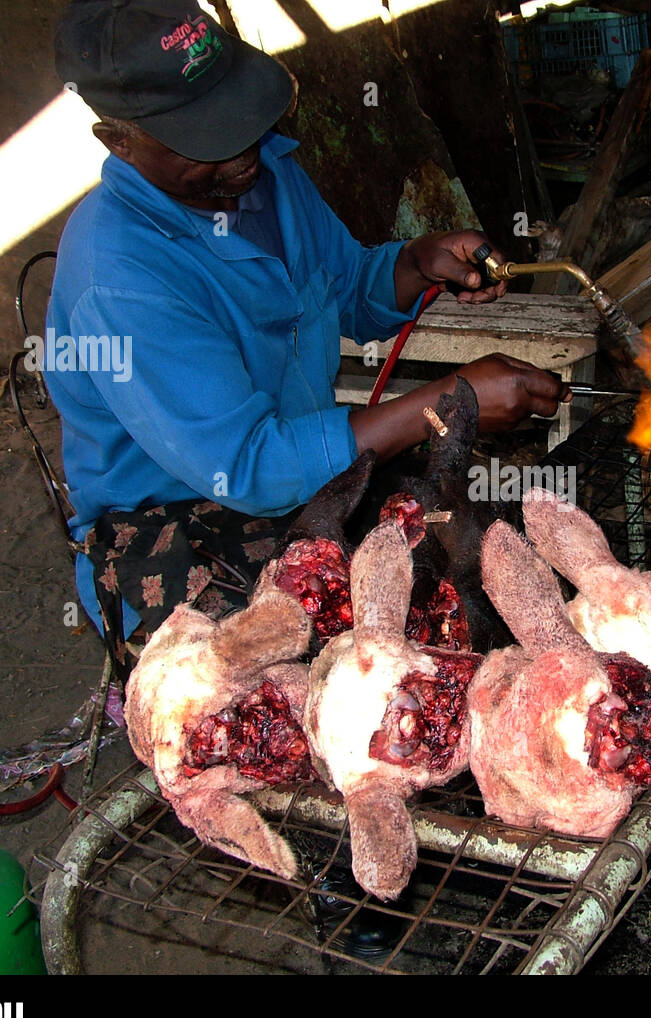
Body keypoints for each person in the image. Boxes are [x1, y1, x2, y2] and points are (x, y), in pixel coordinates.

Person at [47, 0, 568, 669]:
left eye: (241, 118)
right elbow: (250, 465)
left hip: (310, 473)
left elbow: (348, 285)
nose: (242, 157)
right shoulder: (118, 273)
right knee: (341, 662)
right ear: (117, 140)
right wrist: (445, 404)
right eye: (207, 139)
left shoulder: (265, 177)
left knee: (480, 559)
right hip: (175, 524)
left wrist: (417, 262)